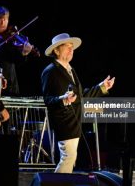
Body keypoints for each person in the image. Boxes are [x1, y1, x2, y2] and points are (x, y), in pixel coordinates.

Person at [41, 33, 115, 173]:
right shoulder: (50, 71)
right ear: (56, 50)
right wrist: (63, 99)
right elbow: (48, 99)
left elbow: (80, 96)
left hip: (74, 122)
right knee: (68, 157)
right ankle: (55, 184)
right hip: (64, 122)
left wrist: (102, 87)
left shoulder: (70, 69)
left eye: (72, 48)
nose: (71, 50)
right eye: (67, 47)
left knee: (70, 159)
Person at [0, 6, 34, 96]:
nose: (3, 23)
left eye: (5, 19)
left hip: (11, 86)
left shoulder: (11, 37)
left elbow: (16, 60)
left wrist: (24, 53)